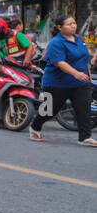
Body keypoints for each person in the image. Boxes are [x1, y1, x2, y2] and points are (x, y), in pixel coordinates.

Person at [29, 15, 96, 146]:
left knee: (84, 109)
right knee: (49, 111)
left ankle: (85, 137)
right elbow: (59, 62)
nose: (73, 26)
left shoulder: (79, 39)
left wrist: (87, 76)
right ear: (60, 27)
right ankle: (35, 126)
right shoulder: (56, 43)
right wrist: (76, 73)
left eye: (74, 23)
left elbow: (84, 59)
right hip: (56, 83)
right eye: (69, 24)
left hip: (80, 83)